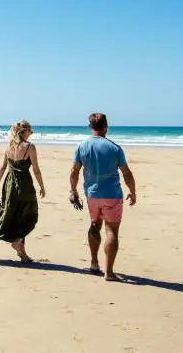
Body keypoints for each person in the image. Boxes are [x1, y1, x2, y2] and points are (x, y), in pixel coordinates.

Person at [69, 112, 137, 282]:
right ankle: (109, 272)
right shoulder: (114, 148)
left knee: (94, 225)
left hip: (92, 194)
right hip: (112, 194)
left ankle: (93, 263)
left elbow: (74, 171)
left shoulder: (82, 146)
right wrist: (133, 191)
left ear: (90, 127)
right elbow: (127, 173)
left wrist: (73, 191)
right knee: (112, 231)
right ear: (106, 126)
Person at [0, 119, 46, 262]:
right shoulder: (30, 147)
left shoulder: (9, 147)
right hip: (24, 184)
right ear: (24, 131)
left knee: (12, 215)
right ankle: (17, 241)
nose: (30, 135)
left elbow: (2, 168)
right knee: (29, 215)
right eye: (30, 131)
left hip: (8, 185)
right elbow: (36, 170)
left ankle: (22, 253)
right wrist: (42, 187)